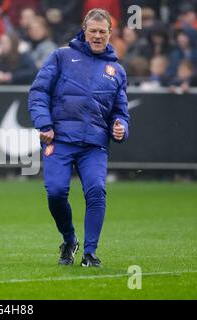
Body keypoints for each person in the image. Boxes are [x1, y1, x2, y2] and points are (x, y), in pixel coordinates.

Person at [28, 8, 130, 267]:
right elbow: (38, 92)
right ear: (84, 30)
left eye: (102, 32)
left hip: (94, 144)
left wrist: (120, 127)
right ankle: (69, 239)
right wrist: (44, 123)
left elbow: (120, 112)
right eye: (93, 31)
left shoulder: (116, 71)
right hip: (59, 139)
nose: (97, 36)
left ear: (110, 34)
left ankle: (90, 252)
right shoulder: (61, 56)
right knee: (56, 193)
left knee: (96, 191)